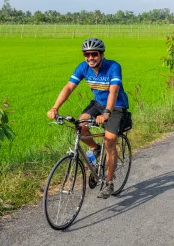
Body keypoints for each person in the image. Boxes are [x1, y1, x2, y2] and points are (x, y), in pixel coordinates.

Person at [47, 38, 129, 199]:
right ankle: (95, 149)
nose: (90, 57)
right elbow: (69, 87)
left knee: (110, 140)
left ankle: (109, 182)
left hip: (116, 106)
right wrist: (55, 107)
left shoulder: (113, 66)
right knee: (80, 125)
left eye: (94, 54)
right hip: (97, 104)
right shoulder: (83, 67)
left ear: (101, 54)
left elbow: (113, 92)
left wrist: (106, 113)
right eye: (87, 54)